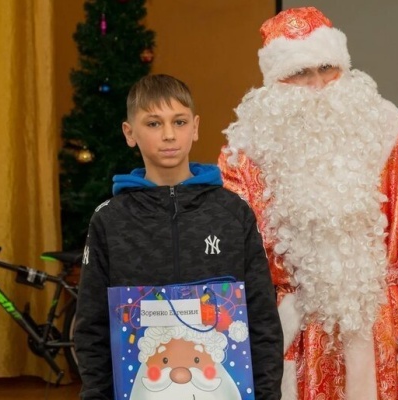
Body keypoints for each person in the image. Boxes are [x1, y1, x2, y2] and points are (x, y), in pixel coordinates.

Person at [218, 7, 398, 400]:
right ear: (275, 82)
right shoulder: (244, 159)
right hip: (293, 341)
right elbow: (236, 266)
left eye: (326, 68)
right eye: (300, 73)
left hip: (389, 336)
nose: (317, 84)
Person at [74, 74, 283, 400]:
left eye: (179, 122)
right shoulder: (109, 221)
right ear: (129, 133)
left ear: (195, 127)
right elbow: (92, 328)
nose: (169, 134)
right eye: (153, 123)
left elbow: (262, 318)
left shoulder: (233, 214)